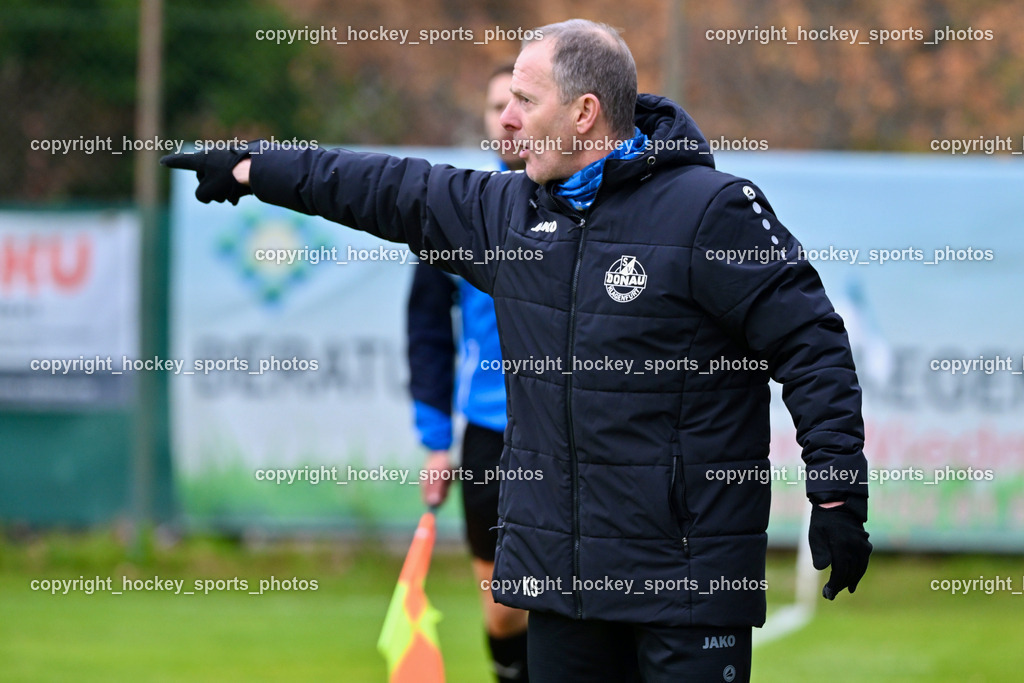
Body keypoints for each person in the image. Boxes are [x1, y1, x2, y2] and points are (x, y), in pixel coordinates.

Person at [163, 18, 872, 683]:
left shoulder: (710, 210)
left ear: (585, 112)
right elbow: (383, 188)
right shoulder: (508, 214)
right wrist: (255, 165)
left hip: (685, 585)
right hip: (560, 584)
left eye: (525, 101)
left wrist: (836, 491)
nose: (505, 120)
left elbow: (810, 342)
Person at [409, 64, 530, 683]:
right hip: (490, 433)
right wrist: (434, 442)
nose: (507, 116)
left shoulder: (589, 206)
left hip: (574, 436)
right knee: (506, 608)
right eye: (494, 106)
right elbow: (427, 333)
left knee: (578, 601)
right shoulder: (458, 214)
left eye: (521, 101)